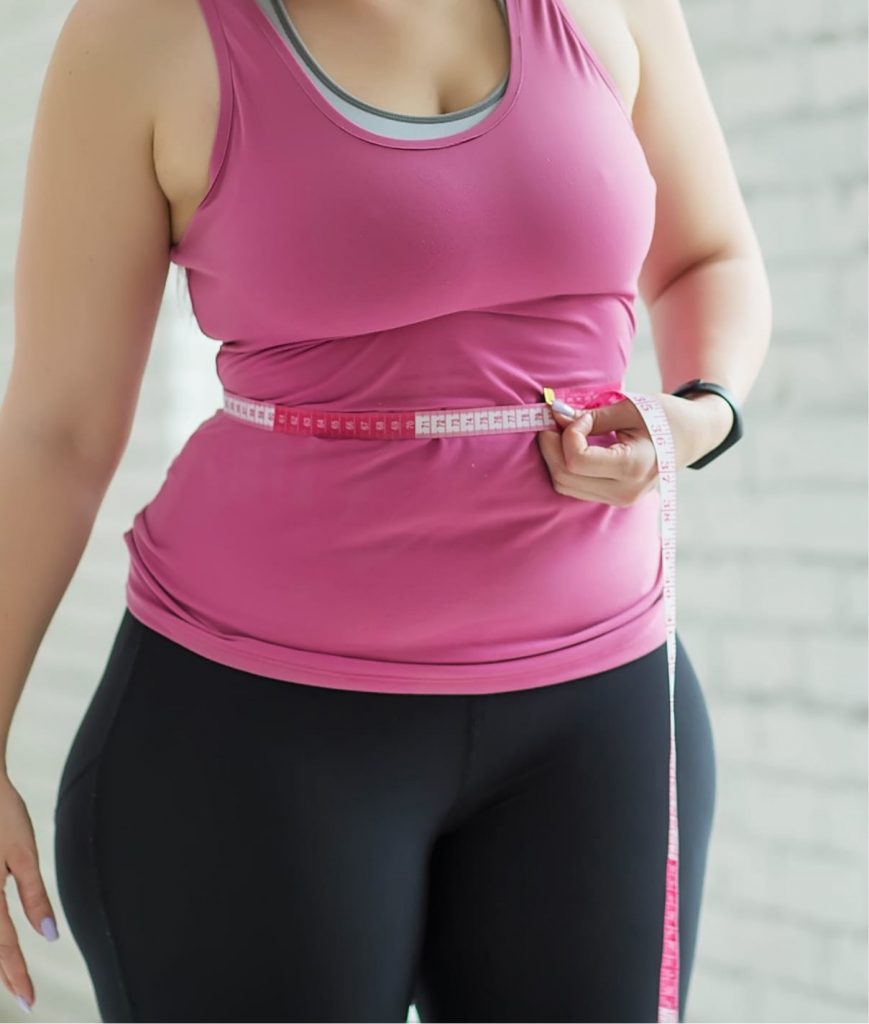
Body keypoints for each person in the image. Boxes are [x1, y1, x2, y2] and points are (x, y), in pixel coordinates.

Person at [0, 0, 771, 1020]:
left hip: (599, 711)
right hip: (250, 732)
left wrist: (690, 420)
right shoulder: (143, 34)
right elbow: (57, 429)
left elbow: (703, 257)